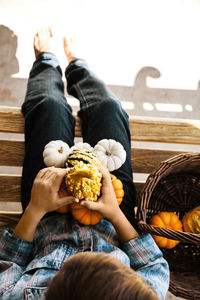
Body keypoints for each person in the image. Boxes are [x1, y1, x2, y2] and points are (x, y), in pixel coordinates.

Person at [0, 27, 169, 300]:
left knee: (48, 106)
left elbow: (9, 263)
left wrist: (34, 209)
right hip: (111, 212)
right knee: (109, 109)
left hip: (46, 213)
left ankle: (46, 60)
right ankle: (78, 67)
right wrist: (115, 213)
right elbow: (152, 266)